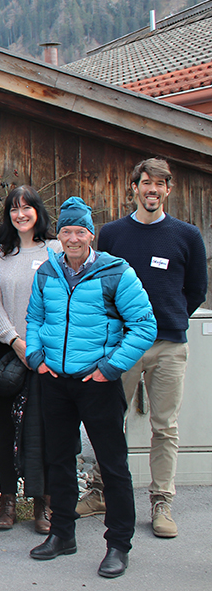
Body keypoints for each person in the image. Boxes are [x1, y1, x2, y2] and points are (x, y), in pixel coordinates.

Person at [26, 196, 156, 579]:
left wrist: (111, 367)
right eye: (66, 231)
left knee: (112, 465)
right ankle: (62, 534)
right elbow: (34, 317)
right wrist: (37, 357)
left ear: (90, 235)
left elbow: (144, 325)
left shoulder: (117, 273)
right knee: (59, 461)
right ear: (58, 235)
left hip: (96, 382)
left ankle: (118, 545)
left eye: (79, 231)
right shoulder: (47, 273)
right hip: (55, 381)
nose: (72, 238)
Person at [82, 158, 207, 538]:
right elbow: (101, 285)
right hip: (121, 346)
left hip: (169, 345)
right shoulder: (113, 235)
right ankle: (102, 490)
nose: (152, 189)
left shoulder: (187, 236)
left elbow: (196, 290)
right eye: (145, 183)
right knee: (109, 421)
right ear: (133, 188)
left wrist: (169, 320)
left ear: (169, 190)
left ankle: (161, 501)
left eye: (159, 184)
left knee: (164, 426)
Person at [0, 186, 60, 532]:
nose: (21, 214)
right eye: (14, 209)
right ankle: (7, 500)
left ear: (37, 212)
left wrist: (39, 345)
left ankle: (42, 503)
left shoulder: (56, 250)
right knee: (6, 427)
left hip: (48, 355)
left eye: (27, 208)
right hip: (11, 354)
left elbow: (64, 301)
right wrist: (16, 342)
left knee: (43, 429)